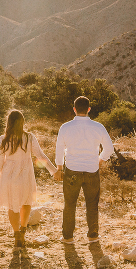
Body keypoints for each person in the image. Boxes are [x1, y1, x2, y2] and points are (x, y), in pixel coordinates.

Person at [53, 96, 114, 244]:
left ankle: (68, 237)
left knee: (70, 203)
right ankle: (93, 235)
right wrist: (99, 160)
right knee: (92, 203)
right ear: (89, 109)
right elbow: (109, 149)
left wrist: (59, 168)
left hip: (72, 170)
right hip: (92, 170)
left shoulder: (65, 127)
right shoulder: (98, 127)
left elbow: (59, 149)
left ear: (74, 109)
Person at [0, 110, 57, 248]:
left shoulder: (2, 139)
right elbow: (40, 155)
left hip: (9, 176)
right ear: (22, 122)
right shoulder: (29, 137)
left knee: (12, 206)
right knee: (26, 203)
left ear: (8, 122)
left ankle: (17, 236)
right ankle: (23, 231)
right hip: (26, 176)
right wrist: (54, 171)